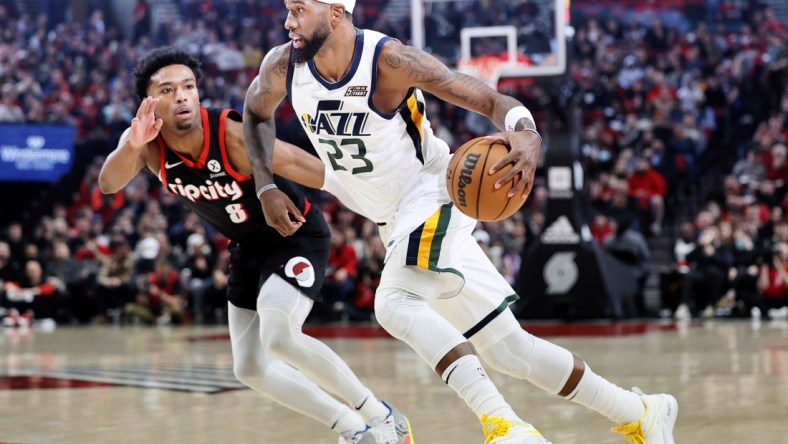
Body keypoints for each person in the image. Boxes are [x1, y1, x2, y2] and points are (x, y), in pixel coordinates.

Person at [242, 1, 678, 443]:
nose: (288, 21)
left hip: (433, 193)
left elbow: (490, 99)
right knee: (512, 351)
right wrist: (265, 186)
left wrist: (527, 131)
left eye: (298, 9)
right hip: (391, 220)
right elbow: (256, 114)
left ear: (336, 12)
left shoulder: (389, 61)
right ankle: (642, 412)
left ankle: (506, 428)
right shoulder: (283, 65)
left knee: (394, 303)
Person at [98, 46, 412, 444]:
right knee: (248, 368)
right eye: (167, 89)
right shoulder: (145, 142)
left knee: (279, 335)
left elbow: (304, 166)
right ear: (149, 101)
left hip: (294, 234)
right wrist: (131, 144)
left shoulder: (229, 135)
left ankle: (381, 415)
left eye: (189, 86)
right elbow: (108, 184)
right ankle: (352, 430)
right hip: (247, 248)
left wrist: (382, 209)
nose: (181, 96)